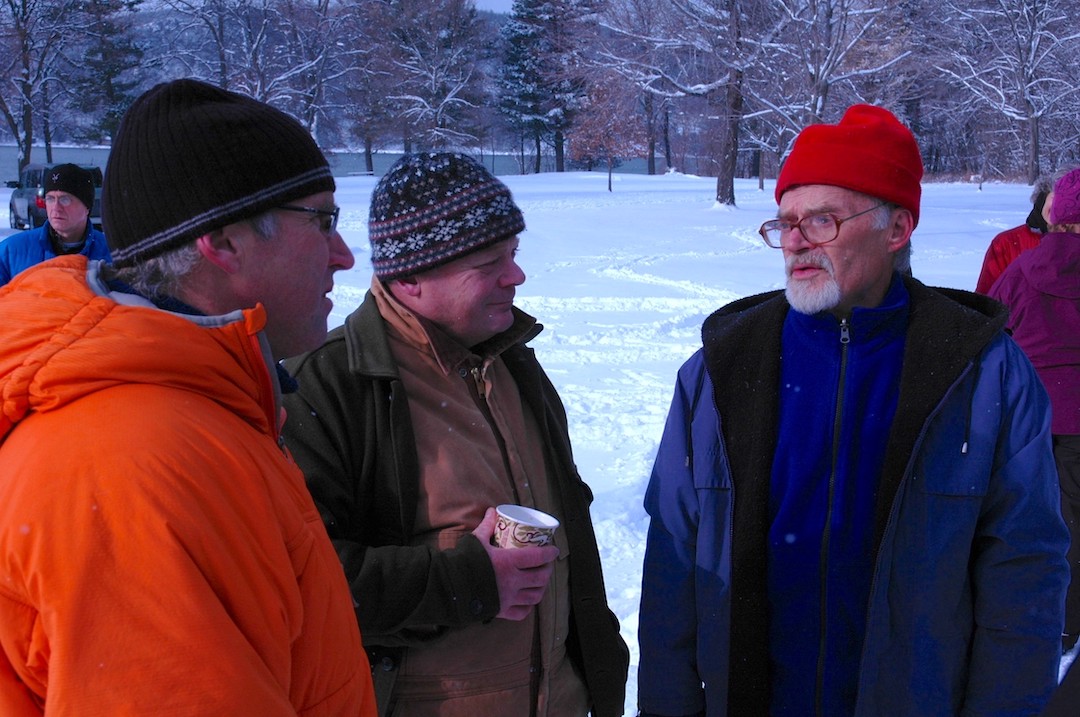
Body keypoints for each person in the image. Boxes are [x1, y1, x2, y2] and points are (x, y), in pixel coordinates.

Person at [637, 104, 1069, 717]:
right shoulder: (719, 370)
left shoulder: (983, 373)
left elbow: (1024, 575)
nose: (794, 242)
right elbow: (672, 575)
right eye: (785, 222)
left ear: (896, 230)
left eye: (821, 221)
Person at [0, 79, 377, 715]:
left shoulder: (195, 410)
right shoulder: (136, 468)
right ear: (224, 241)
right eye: (322, 220)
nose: (343, 255)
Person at [281, 152, 629, 717]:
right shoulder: (327, 386)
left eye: (513, 255)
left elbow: (576, 551)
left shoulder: (514, 363)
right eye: (489, 261)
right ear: (411, 277)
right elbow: (298, 585)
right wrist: (469, 580)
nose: (515, 276)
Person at [989, 166, 1080, 654]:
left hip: (1033, 418)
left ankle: (1054, 623)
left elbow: (987, 327)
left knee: (1036, 523)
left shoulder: (1023, 269)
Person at [0, 162, 110, 285]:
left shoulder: (112, 254)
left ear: (87, 207)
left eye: (65, 199)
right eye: (50, 199)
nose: (56, 208)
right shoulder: (11, 251)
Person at [974, 176, 1052, 294]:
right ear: (1042, 199)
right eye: (1059, 198)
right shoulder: (1006, 243)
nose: (1065, 208)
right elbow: (984, 300)